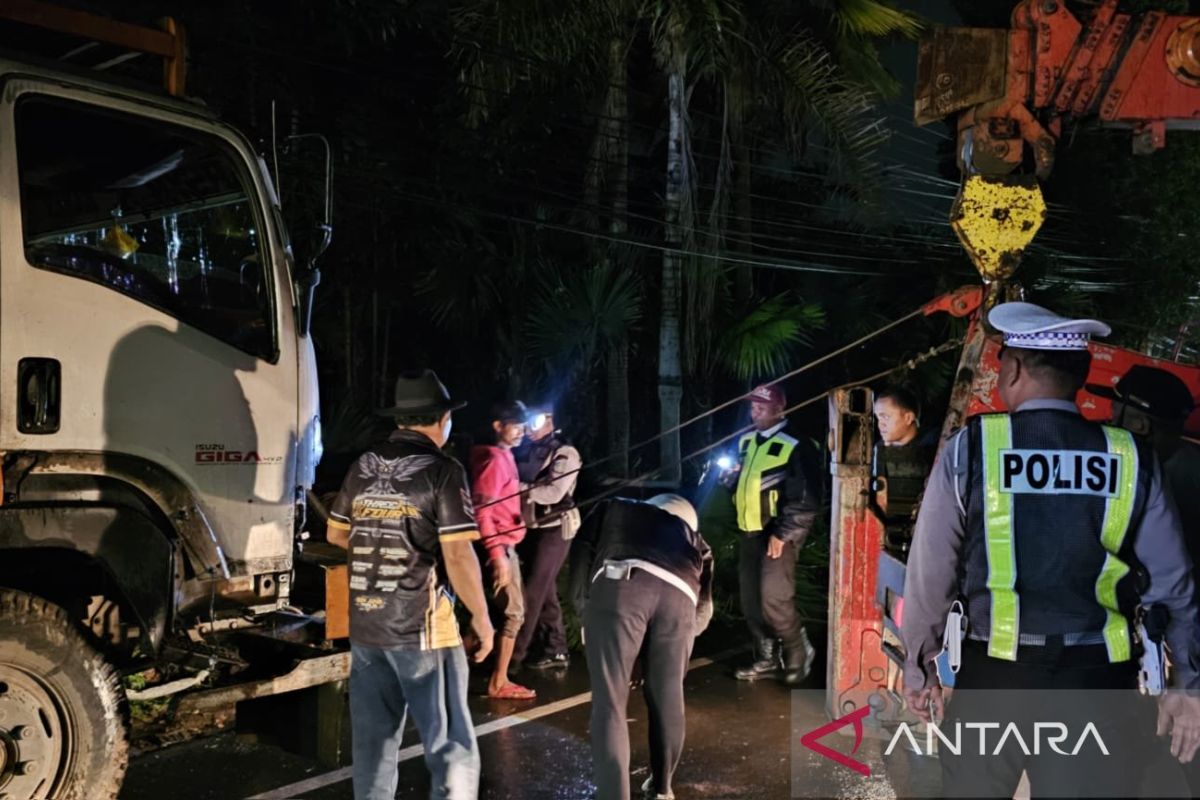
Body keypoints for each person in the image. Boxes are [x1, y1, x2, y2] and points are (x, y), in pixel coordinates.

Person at [900, 302, 1200, 798]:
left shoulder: (972, 449)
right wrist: (1186, 684)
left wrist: (920, 667)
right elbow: (1175, 584)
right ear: (1078, 375)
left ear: (1014, 369)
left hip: (995, 681)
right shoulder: (1129, 457)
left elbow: (931, 572)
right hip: (1098, 685)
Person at [326, 369, 494, 800]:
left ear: (400, 420)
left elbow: (337, 534)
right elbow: (458, 554)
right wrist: (482, 618)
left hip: (366, 627)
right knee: (450, 746)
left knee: (375, 747)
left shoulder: (363, 465)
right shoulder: (443, 471)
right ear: (442, 419)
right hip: (423, 631)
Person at [569, 494, 713, 800]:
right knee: (668, 695)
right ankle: (662, 789)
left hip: (621, 581)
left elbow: (581, 551)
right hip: (681, 596)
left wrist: (585, 609)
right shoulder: (697, 542)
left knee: (610, 702)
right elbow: (702, 612)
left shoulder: (615, 506)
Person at [723, 383, 821, 685]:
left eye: (761, 407)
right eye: (752, 407)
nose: (755, 413)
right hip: (749, 532)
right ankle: (767, 658)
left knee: (774, 599)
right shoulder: (747, 441)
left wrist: (784, 534)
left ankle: (798, 650)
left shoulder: (797, 445)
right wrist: (730, 479)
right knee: (751, 601)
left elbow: (807, 498)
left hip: (777, 536)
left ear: (781, 408)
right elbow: (744, 484)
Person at [1089, 365, 1200, 568]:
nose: (1109, 423)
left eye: (1114, 414)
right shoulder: (1189, 463)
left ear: (1141, 425)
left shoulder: (1144, 475)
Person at [470, 400, 536, 700]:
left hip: (506, 543)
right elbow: (482, 509)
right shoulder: (494, 459)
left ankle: (454, 667)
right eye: (516, 425)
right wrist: (497, 556)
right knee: (513, 614)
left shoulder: (501, 455)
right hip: (499, 547)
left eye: (524, 426)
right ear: (498, 425)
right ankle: (499, 681)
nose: (521, 431)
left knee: (491, 613)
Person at [513, 403, 582, 670]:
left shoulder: (565, 452)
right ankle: (555, 649)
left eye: (537, 420)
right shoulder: (524, 449)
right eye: (527, 421)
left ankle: (514, 656)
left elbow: (553, 493)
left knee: (532, 592)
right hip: (530, 526)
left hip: (554, 529)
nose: (531, 427)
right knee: (546, 591)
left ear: (551, 421)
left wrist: (516, 488)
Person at [872, 385, 936, 550]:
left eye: (885, 417)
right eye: (878, 418)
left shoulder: (935, 446)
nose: (880, 424)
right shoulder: (878, 450)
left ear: (908, 418)